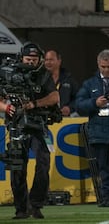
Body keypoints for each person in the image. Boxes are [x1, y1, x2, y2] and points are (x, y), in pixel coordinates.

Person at [9, 42, 60, 219]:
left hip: (39, 125)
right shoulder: (11, 74)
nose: (31, 62)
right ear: (21, 58)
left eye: (34, 59)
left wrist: (34, 104)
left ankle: (36, 204)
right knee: (17, 167)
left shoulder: (44, 75)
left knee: (43, 162)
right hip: (17, 125)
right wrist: (7, 107)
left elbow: (54, 97)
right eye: (28, 59)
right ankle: (21, 209)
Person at [76, 49, 109, 207]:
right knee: (103, 168)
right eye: (103, 67)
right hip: (98, 132)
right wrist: (94, 103)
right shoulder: (89, 84)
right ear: (98, 65)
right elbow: (79, 105)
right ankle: (106, 198)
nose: (106, 70)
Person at [44, 49, 79, 117]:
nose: (48, 62)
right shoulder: (40, 79)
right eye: (46, 60)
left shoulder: (68, 79)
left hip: (64, 120)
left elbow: (78, 98)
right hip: (44, 119)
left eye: (51, 60)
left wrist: (69, 108)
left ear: (59, 61)